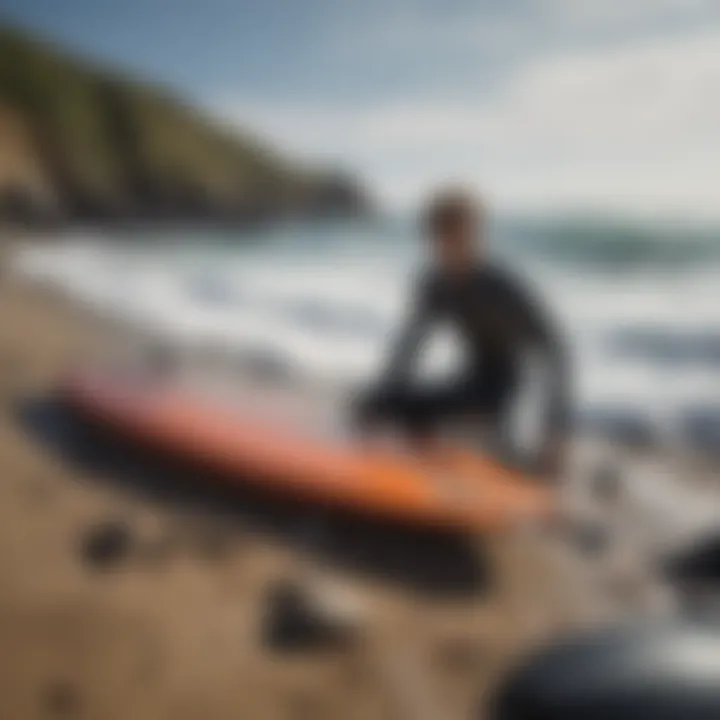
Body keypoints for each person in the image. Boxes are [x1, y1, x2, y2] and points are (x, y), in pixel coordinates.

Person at [354, 188, 570, 477]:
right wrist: (386, 394)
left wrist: (555, 431)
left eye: (464, 236)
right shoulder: (435, 283)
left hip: (511, 392)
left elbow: (554, 351)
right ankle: (450, 439)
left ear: (477, 234)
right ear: (433, 239)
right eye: (445, 238)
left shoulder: (500, 287)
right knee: (375, 404)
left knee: (521, 462)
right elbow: (411, 344)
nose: (456, 246)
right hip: (471, 382)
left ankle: (493, 442)